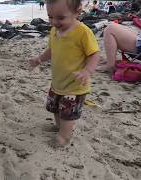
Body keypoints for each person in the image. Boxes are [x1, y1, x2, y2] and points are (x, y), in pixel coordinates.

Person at [29, 0, 100, 146]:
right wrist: (39, 59)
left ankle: (64, 137)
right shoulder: (54, 31)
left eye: (60, 18)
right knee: (56, 108)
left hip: (74, 85)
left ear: (77, 12)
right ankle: (59, 127)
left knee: (68, 114)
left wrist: (87, 71)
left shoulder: (83, 32)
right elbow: (52, 50)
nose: (54, 22)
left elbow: (94, 54)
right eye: (50, 17)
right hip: (58, 82)